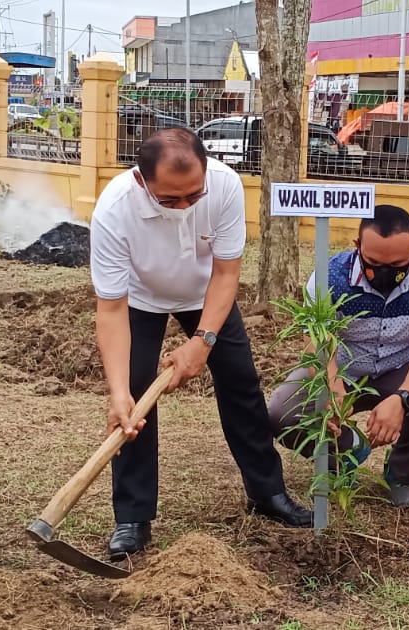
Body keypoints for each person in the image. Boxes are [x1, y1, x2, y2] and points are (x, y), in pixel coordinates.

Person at [90, 126, 312, 560]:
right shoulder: (114, 211)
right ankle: (133, 518)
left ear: (206, 171)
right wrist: (118, 394)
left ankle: (266, 492)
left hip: (207, 294)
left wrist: (202, 341)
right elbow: (111, 309)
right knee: (134, 403)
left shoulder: (225, 187)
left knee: (242, 385)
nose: (184, 206)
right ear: (141, 181)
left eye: (193, 195)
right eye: (170, 199)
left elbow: (227, 272)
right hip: (140, 298)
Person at [266, 204, 409, 507]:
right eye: (372, 262)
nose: (384, 273)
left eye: (398, 264)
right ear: (357, 246)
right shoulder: (329, 277)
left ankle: (400, 473)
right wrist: (331, 387)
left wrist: (402, 398)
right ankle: (346, 453)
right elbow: (316, 342)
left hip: (401, 368)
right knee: (284, 412)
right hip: (343, 368)